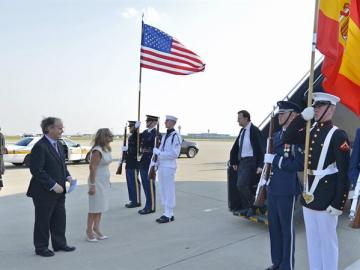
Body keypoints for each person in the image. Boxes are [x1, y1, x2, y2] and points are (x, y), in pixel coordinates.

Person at [282, 92, 350, 270]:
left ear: (331, 109)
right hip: (308, 192)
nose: (316, 109)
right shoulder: (310, 131)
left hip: (327, 196)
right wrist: (301, 119)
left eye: (320, 106)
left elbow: (344, 173)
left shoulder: (338, 135)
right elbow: (286, 138)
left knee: (328, 242)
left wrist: (338, 202)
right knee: (312, 241)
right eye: (315, 106)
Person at [27, 117, 76, 257]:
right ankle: (41, 248)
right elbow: (36, 170)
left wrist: (68, 176)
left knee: (59, 218)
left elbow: (61, 165)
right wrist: (53, 185)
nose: (62, 130)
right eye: (59, 128)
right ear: (49, 128)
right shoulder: (40, 147)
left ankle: (59, 244)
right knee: (43, 220)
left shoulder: (59, 145)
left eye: (62, 127)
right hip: (43, 192)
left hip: (60, 191)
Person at [263, 101, 304, 270]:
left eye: (283, 113)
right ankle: (277, 263)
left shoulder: (299, 136)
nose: (279, 116)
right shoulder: (277, 135)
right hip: (273, 187)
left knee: (286, 229)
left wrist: (276, 160)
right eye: (279, 113)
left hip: (287, 189)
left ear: (293, 115)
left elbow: (299, 164)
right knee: (274, 227)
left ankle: (287, 266)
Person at [230, 110, 265, 217]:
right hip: (242, 162)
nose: (237, 120)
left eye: (239, 118)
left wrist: (260, 165)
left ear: (246, 118)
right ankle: (251, 206)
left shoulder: (254, 131)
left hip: (250, 162)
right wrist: (234, 161)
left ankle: (253, 206)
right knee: (242, 186)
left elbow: (261, 148)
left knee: (241, 185)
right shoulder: (242, 131)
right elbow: (236, 147)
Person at [86, 128, 113, 242]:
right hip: (96, 181)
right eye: (109, 136)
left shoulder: (105, 149)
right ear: (104, 137)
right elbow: (92, 168)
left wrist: (108, 180)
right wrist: (92, 185)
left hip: (104, 181)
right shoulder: (97, 151)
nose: (111, 138)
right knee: (94, 207)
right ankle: (89, 230)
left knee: (100, 206)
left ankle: (96, 228)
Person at [153, 115, 181, 223]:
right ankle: (168, 212)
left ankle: (168, 214)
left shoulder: (175, 136)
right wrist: (155, 163)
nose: (165, 122)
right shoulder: (165, 136)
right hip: (162, 166)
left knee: (168, 190)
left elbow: (175, 154)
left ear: (173, 123)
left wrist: (160, 153)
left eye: (167, 121)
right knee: (163, 190)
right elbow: (160, 149)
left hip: (169, 167)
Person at [138, 115, 159, 215]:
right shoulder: (145, 133)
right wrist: (136, 129)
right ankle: (147, 205)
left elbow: (159, 149)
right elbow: (136, 139)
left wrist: (156, 163)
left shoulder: (156, 134)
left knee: (150, 185)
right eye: (147, 121)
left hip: (151, 161)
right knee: (145, 185)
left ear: (154, 123)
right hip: (143, 160)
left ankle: (151, 207)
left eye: (149, 121)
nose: (146, 122)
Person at [123, 121, 141, 208]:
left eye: (131, 127)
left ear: (134, 127)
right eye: (129, 127)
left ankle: (136, 201)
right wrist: (125, 152)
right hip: (129, 162)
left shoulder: (137, 136)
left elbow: (138, 145)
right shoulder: (130, 137)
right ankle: (132, 200)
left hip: (134, 163)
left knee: (134, 182)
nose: (129, 128)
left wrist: (136, 130)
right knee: (130, 182)